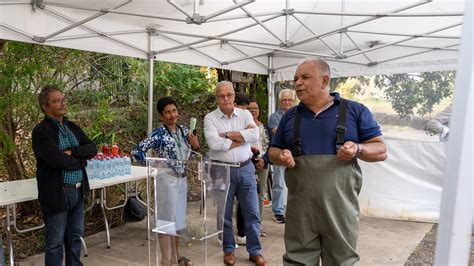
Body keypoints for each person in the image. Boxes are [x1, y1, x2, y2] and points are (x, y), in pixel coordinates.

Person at [269, 58, 387, 265]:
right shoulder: (290, 117)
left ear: (324, 81)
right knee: (297, 260)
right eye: (296, 78)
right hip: (301, 212)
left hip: (340, 211)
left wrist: (358, 149)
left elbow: (381, 150)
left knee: (342, 261)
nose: (297, 83)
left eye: (305, 77)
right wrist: (280, 155)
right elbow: (273, 151)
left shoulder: (354, 111)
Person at [32, 85, 97, 266]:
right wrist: (81, 160)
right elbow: (57, 160)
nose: (62, 103)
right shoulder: (41, 132)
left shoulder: (71, 126)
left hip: (78, 191)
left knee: (75, 237)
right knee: (55, 243)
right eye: (56, 100)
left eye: (62, 99)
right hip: (57, 193)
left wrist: (73, 152)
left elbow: (92, 148)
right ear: (45, 107)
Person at [204, 81, 267, 266]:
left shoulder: (245, 114)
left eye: (229, 95)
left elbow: (255, 135)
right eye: (221, 96)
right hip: (221, 169)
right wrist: (242, 137)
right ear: (216, 98)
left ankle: (255, 251)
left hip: (246, 168)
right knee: (224, 213)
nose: (226, 99)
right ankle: (229, 250)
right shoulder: (210, 118)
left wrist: (226, 135)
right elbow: (214, 144)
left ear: (234, 95)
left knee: (252, 212)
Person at [132, 96, 200, 266]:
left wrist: (196, 145)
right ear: (161, 116)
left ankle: (176, 256)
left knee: (178, 220)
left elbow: (191, 153)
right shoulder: (159, 134)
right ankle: (165, 260)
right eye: (167, 112)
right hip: (166, 180)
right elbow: (137, 151)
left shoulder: (185, 130)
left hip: (182, 179)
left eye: (174, 111)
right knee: (165, 220)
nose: (172, 115)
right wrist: (155, 167)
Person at [268, 88, 296, 224]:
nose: (287, 102)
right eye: (284, 100)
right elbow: (278, 133)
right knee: (278, 183)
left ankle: (294, 211)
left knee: (296, 183)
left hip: (296, 154)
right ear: (280, 101)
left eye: (289, 100)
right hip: (279, 153)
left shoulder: (298, 114)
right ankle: (278, 211)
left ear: (293, 101)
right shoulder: (275, 116)